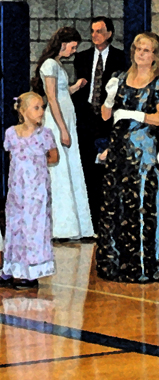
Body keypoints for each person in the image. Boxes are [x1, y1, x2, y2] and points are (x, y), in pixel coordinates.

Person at [95, 32, 159, 283]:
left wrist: (134, 115)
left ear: (155, 56)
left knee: (140, 206)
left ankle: (142, 266)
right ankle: (115, 264)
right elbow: (105, 115)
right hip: (119, 152)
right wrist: (109, 98)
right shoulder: (120, 78)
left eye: (146, 50)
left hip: (143, 154)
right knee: (116, 205)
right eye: (138, 49)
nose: (141, 53)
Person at [31, 27, 94, 240]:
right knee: (60, 172)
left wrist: (75, 87)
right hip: (58, 123)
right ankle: (60, 227)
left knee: (70, 168)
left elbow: (61, 93)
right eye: (73, 47)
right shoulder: (49, 64)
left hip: (65, 120)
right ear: (63, 43)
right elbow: (52, 98)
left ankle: (75, 225)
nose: (74, 51)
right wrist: (62, 129)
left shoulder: (57, 64)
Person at [72, 16, 128, 223]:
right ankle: (91, 216)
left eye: (100, 31)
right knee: (88, 166)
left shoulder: (120, 58)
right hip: (87, 117)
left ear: (109, 34)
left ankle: (109, 214)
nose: (95, 35)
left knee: (107, 165)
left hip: (108, 117)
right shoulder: (82, 57)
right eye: (93, 31)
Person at [1, 93, 59, 289]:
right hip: (17, 191)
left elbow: (54, 157)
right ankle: (11, 269)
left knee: (34, 227)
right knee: (15, 226)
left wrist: (36, 165)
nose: (41, 111)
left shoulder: (45, 134)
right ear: (23, 110)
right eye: (36, 107)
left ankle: (32, 272)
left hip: (36, 191)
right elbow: (12, 158)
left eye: (42, 107)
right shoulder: (11, 133)